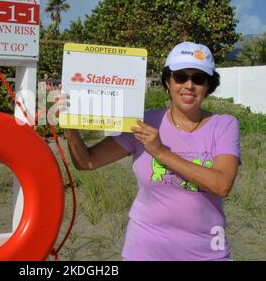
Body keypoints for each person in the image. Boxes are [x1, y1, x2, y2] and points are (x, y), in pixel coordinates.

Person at [55, 41, 241, 261]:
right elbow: (87, 162)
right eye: (180, 77)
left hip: (206, 251)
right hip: (145, 251)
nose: (189, 85)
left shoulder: (224, 125)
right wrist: (69, 124)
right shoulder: (143, 122)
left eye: (199, 79)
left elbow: (221, 185)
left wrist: (160, 152)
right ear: (167, 82)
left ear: (208, 86)